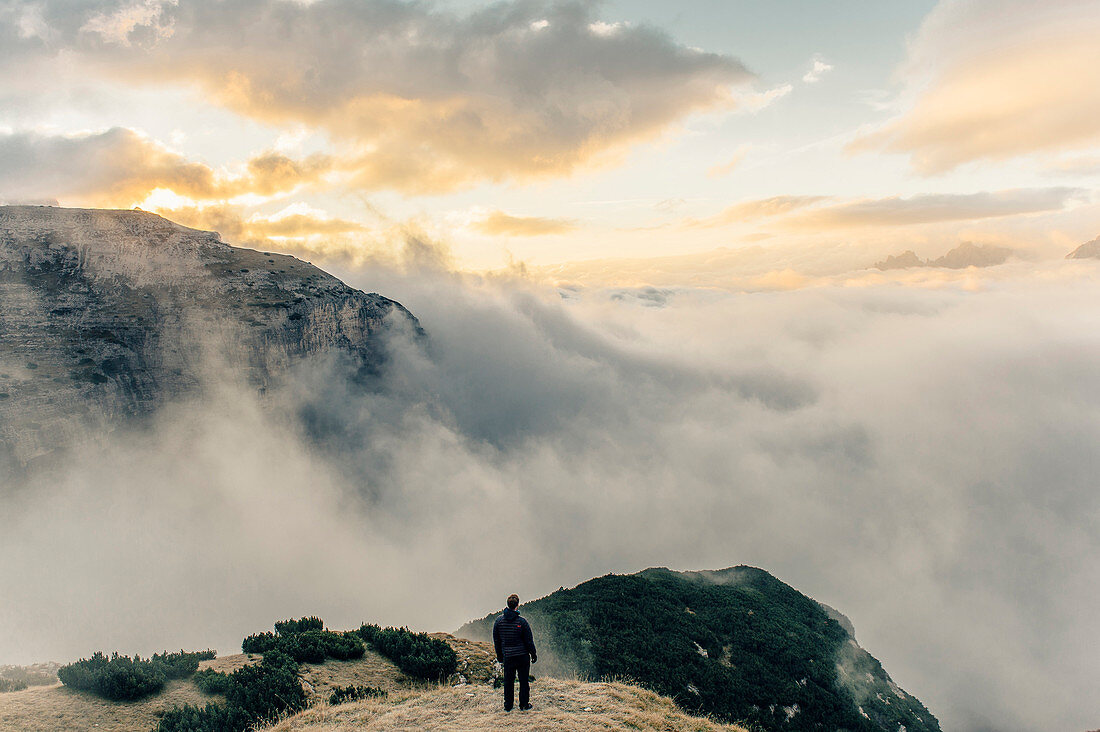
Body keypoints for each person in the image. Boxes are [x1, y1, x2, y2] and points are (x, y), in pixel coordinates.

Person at [493, 593, 537, 711]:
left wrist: (500, 656)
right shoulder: (522, 622)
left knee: (508, 681)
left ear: (507, 605)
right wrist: (533, 654)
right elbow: (529, 641)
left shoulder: (499, 621)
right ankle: (523, 705)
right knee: (523, 681)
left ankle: (508, 706)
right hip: (522, 656)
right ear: (517, 605)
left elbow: (496, 641)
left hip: (508, 656)